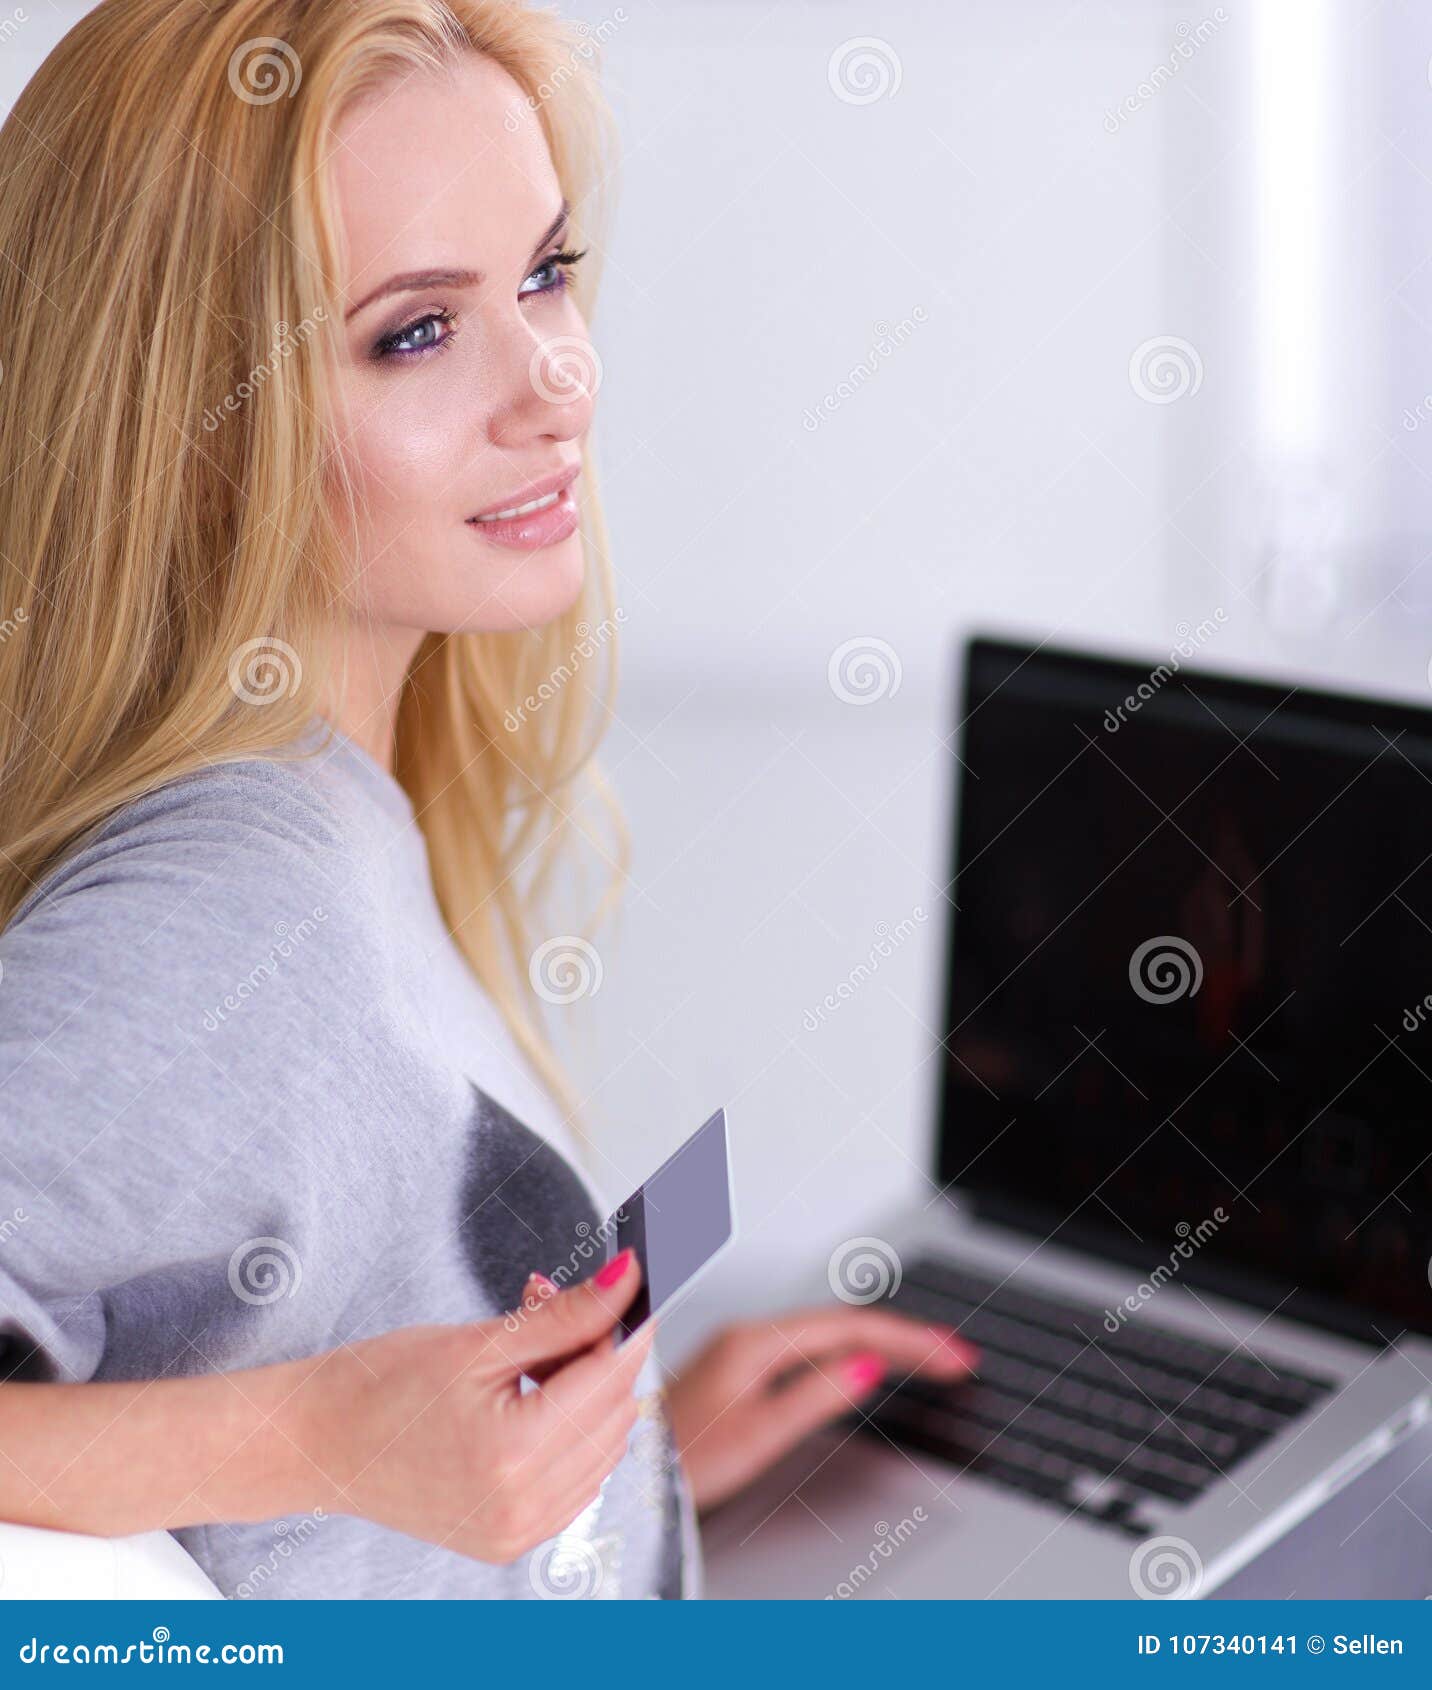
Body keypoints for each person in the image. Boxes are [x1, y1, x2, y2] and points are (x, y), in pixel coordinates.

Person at [0, 0, 976, 1599]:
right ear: (186, 441)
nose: (557, 382)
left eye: (542, 274)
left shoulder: (337, 812)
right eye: (414, 331)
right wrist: (313, 1436)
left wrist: (640, 1469)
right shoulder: (231, 907)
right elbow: (315, 1427)